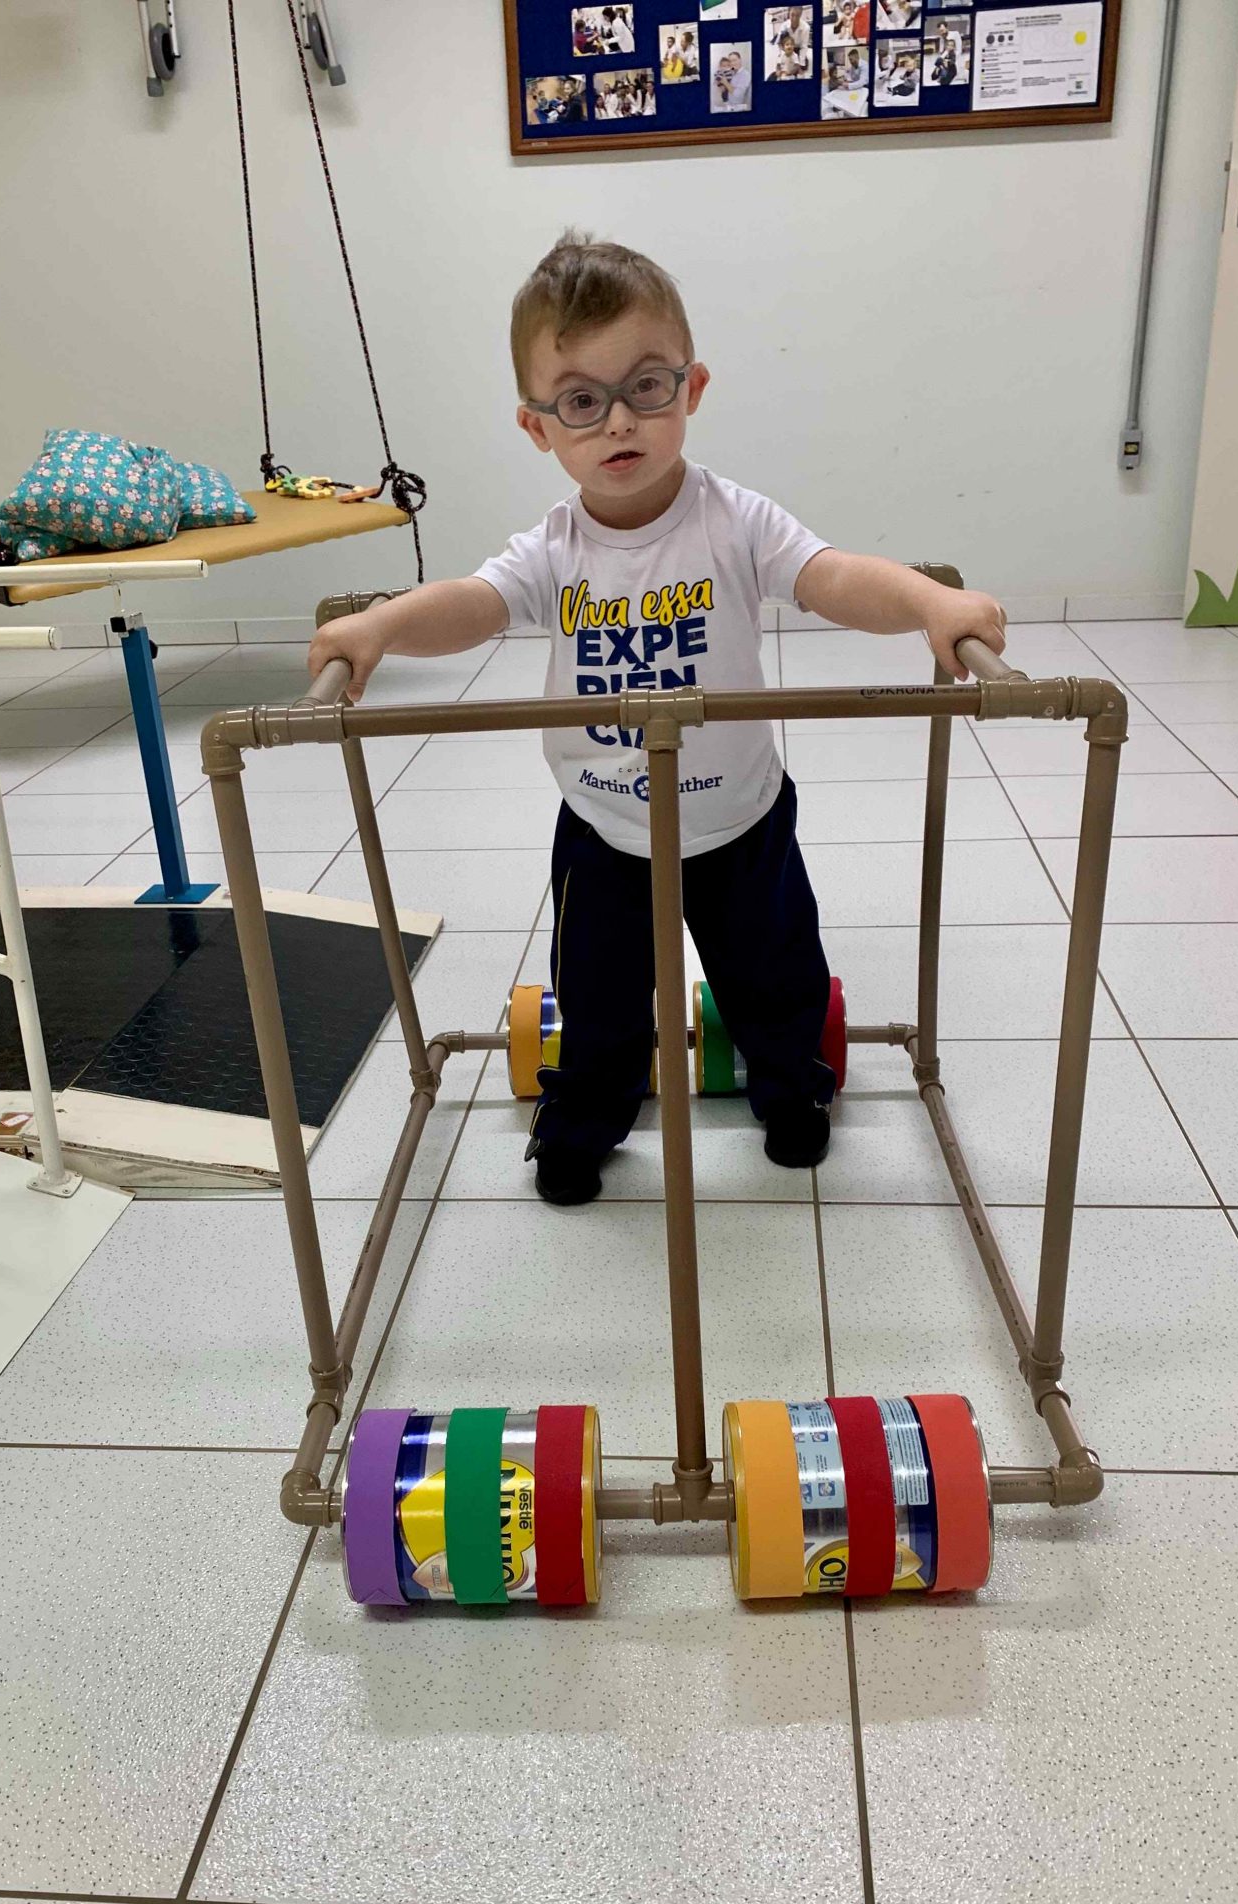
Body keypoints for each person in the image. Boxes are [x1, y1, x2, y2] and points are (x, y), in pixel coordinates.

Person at [307, 236, 1004, 1204]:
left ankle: (793, 1088)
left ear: (693, 387)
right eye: (581, 401)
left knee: (776, 976)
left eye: (646, 386)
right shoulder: (554, 549)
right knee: (598, 1002)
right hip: (605, 825)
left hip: (740, 817)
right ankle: (584, 1120)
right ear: (537, 426)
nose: (619, 420)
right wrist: (382, 625)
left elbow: (832, 576)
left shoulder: (735, 520)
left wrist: (930, 602)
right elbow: (471, 604)